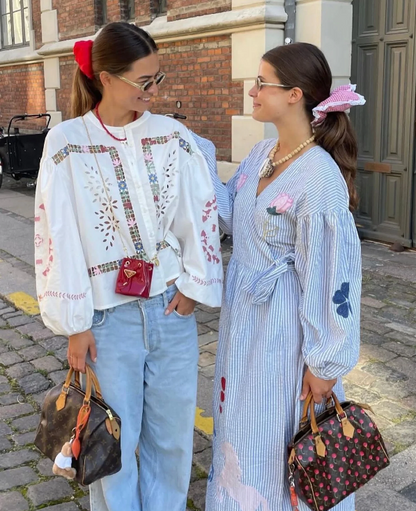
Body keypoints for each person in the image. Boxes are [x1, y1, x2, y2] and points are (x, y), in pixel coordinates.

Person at [34, 21, 223, 511]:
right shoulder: (66, 144)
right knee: (113, 443)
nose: (155, 91)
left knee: (174, 437)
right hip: (106, 321)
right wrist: (75, 325)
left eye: (158, 78)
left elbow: (197, 211)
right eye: (145, 82)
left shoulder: (172, 136)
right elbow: (58, 235)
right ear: (106, 78)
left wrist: (194, 286)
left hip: (169, 312)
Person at [205, 42, 364, 511]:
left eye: (261, 83)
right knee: (242, 424)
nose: (251, 91)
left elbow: (336, 276)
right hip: (245, 327)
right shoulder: (261, 155)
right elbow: (232, 212)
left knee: (280, 434)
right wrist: (197, 154)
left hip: (286, 335)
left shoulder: (318, 178)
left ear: (294, 94)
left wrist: (325, 364)